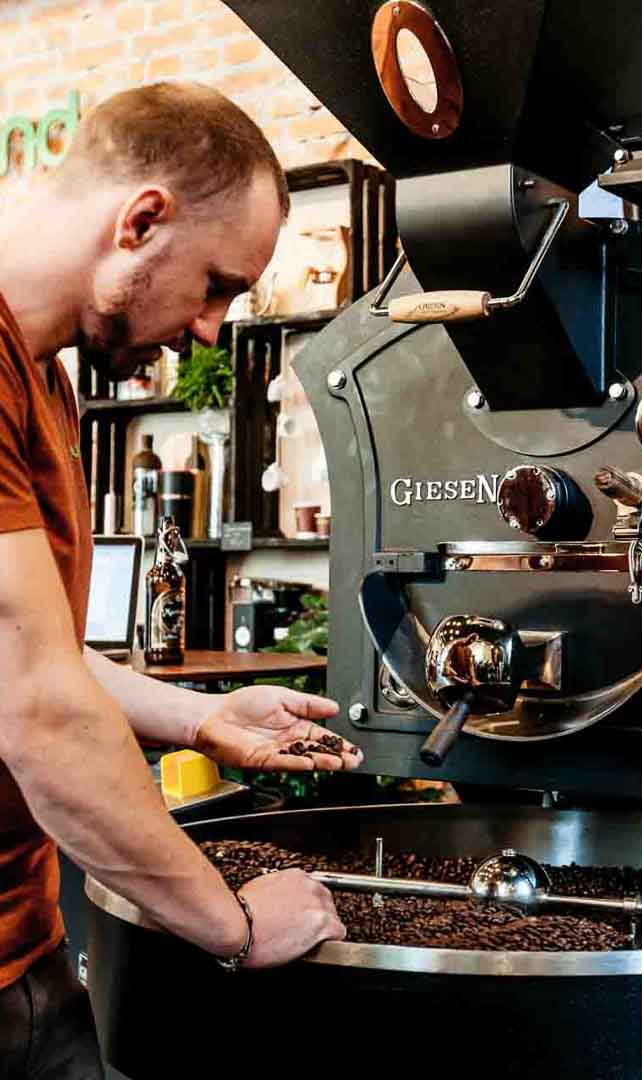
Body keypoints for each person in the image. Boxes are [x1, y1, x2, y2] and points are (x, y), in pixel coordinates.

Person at [0, 83, 362, 1078]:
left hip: (24, 955)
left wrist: (202, 719)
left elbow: (39, 659)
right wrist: (233, 924)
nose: (211, 332)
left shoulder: (47, 384)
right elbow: (36, 715)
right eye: (217, 286)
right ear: (143, 219)